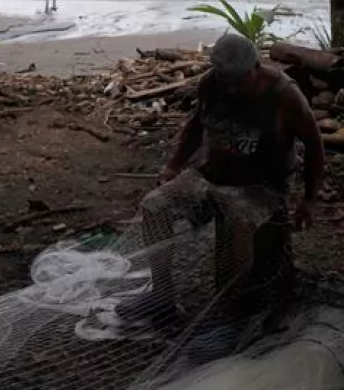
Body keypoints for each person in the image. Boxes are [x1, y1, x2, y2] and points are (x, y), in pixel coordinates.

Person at [118, 33, 326, 330]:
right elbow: (194, 127)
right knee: (155, 206)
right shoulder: (212, 84)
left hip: (261, 186)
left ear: (256, 67)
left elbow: (315, 145)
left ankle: (227, 316)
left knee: (235, 221)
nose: (231, 87)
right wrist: (174, 165)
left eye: (238, 81)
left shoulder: (284, 95)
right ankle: (161, 295)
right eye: (225, 79)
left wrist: (309, 200)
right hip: (209, 176)